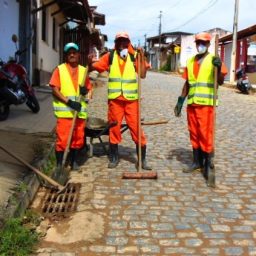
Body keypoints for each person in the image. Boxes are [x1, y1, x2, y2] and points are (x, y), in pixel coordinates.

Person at [89, 31, 151, 170]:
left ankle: (142, 160)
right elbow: (96, 67)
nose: (122, 44)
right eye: (119, 41)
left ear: (128, 43)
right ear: (116, 44)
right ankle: (114, 157)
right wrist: (89, 62)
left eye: (125, 41)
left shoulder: (135, 56)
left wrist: (142, 57)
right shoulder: (109, 56)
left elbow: (142, 74)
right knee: (114, 128)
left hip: (131, 101)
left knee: (136, 128)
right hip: (115, 101)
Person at [174, 32, 227, 184]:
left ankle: (209, 165)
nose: (201, 45)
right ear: (196, 44)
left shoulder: (214, 60)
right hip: (192, 104)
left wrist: (218, 69)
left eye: (204, 43)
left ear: (209, 45)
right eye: (198, 43)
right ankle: (197, 162)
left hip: (206, 105)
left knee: (205, 134)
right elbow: (188, 83)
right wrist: (180, 100)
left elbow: (221, 81)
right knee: (194, 133)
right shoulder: (190, 61)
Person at [49, 42, 92, 174]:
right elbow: (55, 89)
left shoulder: (84, 71)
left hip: (79, 113)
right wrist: (68, 102)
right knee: (62, 140)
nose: (72, 54)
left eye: (74, 52)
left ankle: (73, 162)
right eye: (69, 52)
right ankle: (59, 165)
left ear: (78, 55)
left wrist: (85, 93)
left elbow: (90, 92)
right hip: (65, 113)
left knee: (77, 139)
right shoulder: (59, 69)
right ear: (66, 55)